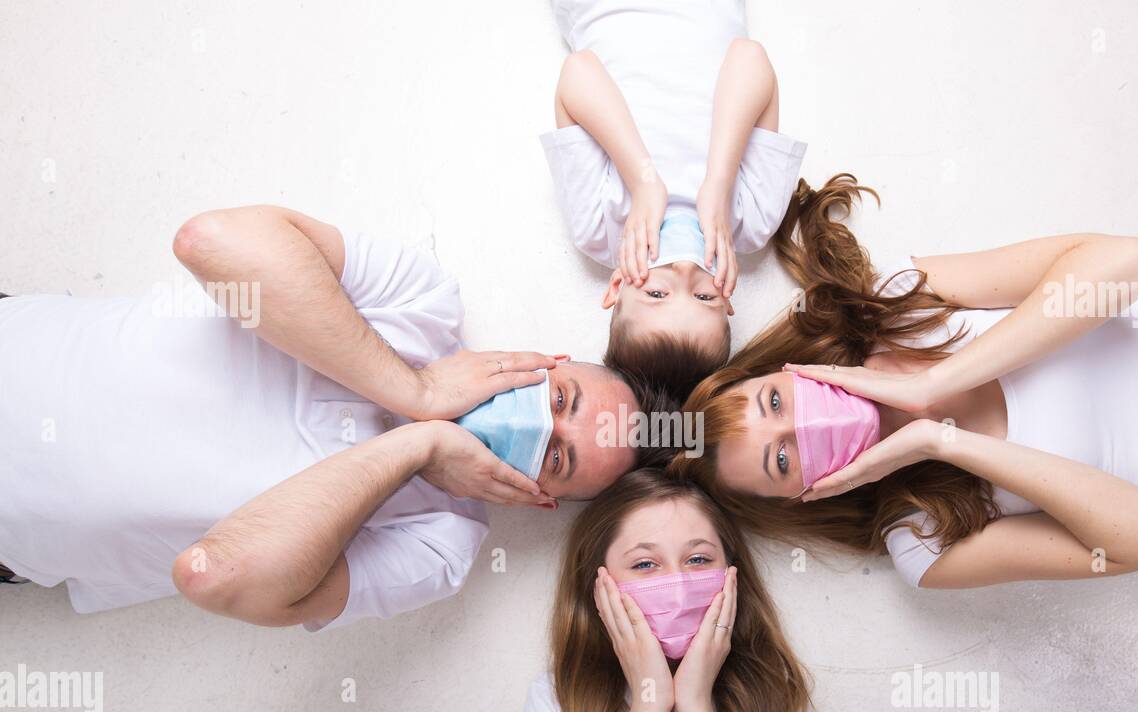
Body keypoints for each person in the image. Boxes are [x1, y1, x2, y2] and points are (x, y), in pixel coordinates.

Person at [0, 205, 669, 628]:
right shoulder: (422, 301)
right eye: (560, 401)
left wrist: (419, 446)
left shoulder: (440, 544)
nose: (537, 427)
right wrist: (415, 391)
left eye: (556, 457)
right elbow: (207, 240)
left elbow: (215, 576)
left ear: (538, 500)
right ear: (544, 363)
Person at [672, 175, 1138, 588]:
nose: (803, 424)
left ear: (786, 371)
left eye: (776, 401)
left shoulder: (900, 304)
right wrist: (942, 443)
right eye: (783, 456)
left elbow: (1135, 263)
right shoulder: (925, 543)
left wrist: (934, 385)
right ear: (805, 495)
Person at [468, 469, 863, 712]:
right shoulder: (558, 699)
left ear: (732, 577)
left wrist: (694, 705)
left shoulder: (776, 695)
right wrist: (649, 704)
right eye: (644, 564)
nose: (676, 585)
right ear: (599, 587)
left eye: (697, 559)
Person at [544, 0, 806, 401]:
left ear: (617, 286)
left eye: (656, 294)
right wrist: (719, 182)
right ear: (728, 297)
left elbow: (579, 70)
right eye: (704, 297)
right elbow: (748, 57)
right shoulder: (750, 223)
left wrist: (644, 182)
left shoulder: (600, 230)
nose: (685, 272)